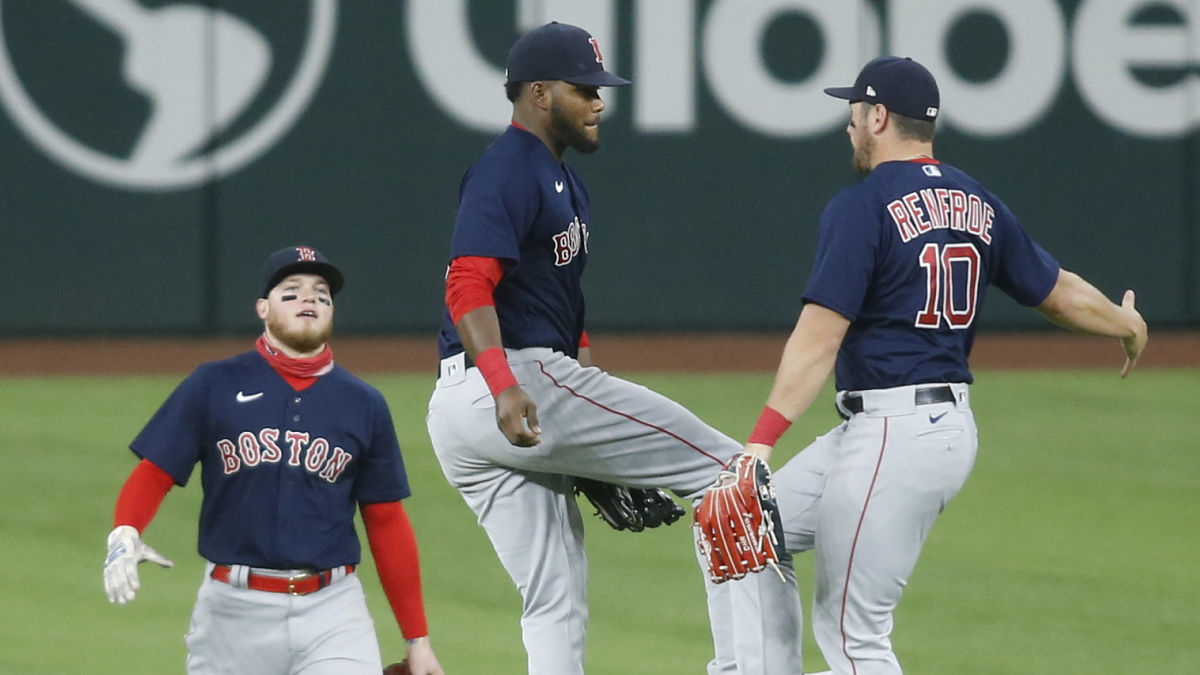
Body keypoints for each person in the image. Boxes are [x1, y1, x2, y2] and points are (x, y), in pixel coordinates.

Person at [721, 56, 1148, 674]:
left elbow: (818, 340)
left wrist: (760, 443)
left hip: (894, 432)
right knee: (740, 538)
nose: (848, 126)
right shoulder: (977, 201)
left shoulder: (860, 207)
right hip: (920, 430)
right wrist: (1123, 322)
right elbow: (1056, 290)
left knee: (852, 633)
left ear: (878, 116)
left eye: (854, 113)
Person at [424, 21, 800, 675]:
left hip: (472, 407)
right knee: (729, 473)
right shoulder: (507, 169)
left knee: (555, 600)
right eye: (585, 88)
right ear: (539, 94)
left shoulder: (561, 180)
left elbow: (566, 317)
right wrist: (503, 383)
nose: (600, 100)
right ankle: (752, 667)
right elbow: (466, 285)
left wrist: (596, 450)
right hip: (511, 382)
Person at [102, 245, 445, 675]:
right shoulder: (214, 384)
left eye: (322, 294)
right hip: (231, 613)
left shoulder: (364, 404)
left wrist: (418, 640)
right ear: (262, 308)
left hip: (333, 610)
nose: (310, 298)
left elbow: (387, 520)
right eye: (292, 290)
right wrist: (125, 529)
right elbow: (155, 472)